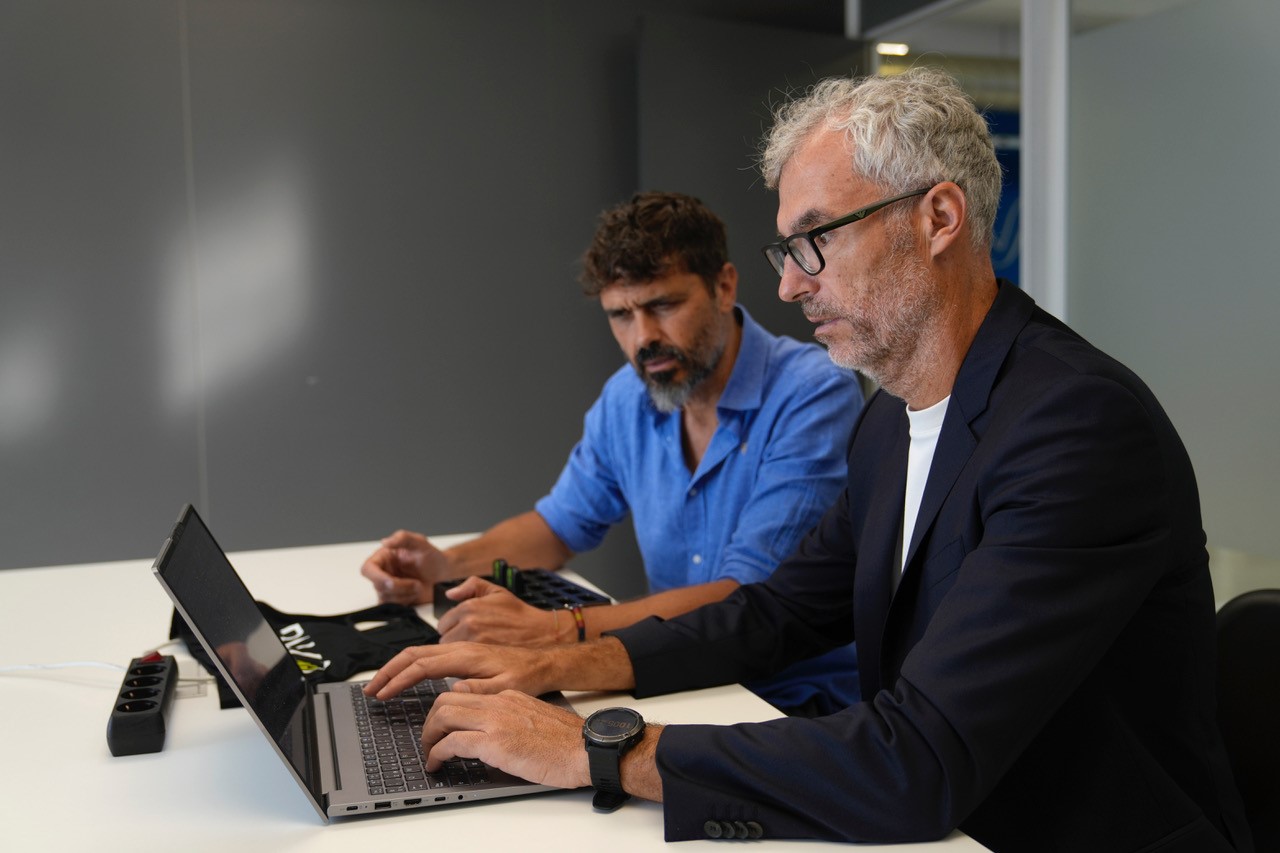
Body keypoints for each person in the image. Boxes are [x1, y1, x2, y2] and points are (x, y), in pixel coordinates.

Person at [362, 68, 1253, 851]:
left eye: (817, 238)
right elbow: (776, 613)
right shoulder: (892, 421)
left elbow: (918, 756)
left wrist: (598, 747)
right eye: (787, 249)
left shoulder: (1077, 427)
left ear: (938, 218)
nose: (791, 283)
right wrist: (560, 662)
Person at [361, 191, 865, 716]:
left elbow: (746, 597)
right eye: (620, 315)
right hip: (678, 680)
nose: (644, 337)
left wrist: (559, 629)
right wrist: (445, 565)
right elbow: (557, 527)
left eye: (663, 306)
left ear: (723, 286)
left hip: (791, 704)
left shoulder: (813, 392)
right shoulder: (629, 396)